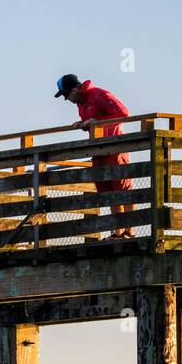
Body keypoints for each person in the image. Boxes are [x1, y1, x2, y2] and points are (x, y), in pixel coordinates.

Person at [54, 74, 134, 240]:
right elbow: (92, 122)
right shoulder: (81, 104)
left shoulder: (99, 94)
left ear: (75, 89)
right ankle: (117, 231)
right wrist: (82, 125)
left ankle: (130, 230)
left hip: (115, 146)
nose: (67, 99)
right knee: (108, 191)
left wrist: (94, 121)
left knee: (122, 188)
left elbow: (123, 113)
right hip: (98, 149)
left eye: (66, 95)